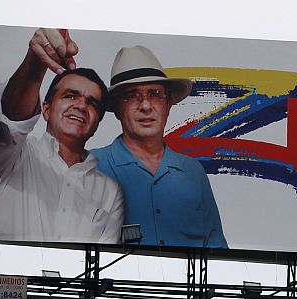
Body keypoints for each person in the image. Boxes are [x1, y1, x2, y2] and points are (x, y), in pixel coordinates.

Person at [0, 28, 123, 244]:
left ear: (97, 122)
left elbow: (100, 261)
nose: (81, 106)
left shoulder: (108, 192)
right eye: (70, 96)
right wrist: (35, 64)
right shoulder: (13, 157)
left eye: (92, 103)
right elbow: (9, 123)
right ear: (46, 109)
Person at [92, 45, 227, 248]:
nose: (145, 106)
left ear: (168, 104)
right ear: (117, 108)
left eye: (154, 94)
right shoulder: (90, 167)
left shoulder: (193, 172)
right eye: (131, 95)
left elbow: (218, 254)